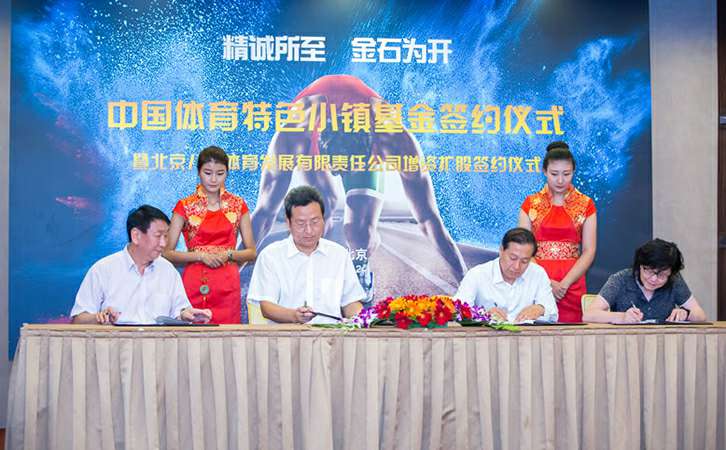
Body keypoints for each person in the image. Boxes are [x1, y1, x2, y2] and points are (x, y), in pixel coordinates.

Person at [250, 74, 467, 305]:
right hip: (315, 138)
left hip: (363, 144)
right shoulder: (295, 133)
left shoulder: (395, 140)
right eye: (337, 169)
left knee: (358, 229)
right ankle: (315, 275)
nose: (341, 176)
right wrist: (230, 272)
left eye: (348, 170)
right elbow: (264, 212)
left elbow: (428, 218)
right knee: (322, 208)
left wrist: (466, 281)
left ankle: (360, 268)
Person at [71, 205, 212, 324]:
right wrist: (99, 317)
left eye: (166, 236)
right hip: (116, 345)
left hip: (158, 345)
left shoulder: (168, 270)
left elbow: (180, 311)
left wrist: (185, 315)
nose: (164, 244)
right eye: (158, 236)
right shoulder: (103, 269)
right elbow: (78, 320)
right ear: (136, 235)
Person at [163, 146, 256, 324]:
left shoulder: (238, 205)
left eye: (220, 173)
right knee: (194, 335)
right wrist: (200, 256)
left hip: (227, 283)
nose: (213, 179)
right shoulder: (185, 206)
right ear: (198, 172)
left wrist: (228, 254)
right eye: (208, 173)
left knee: (228, 337)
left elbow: (251, 252)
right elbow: (167, 253)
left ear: (227, 173)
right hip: (195, 281)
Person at [248, 185, 365, 323]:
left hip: (330, 335)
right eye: (301, 223)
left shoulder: (339, 254)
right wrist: (294, 316)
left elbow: (350, 302)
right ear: (288, 223)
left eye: (315, 222)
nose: (309, 230)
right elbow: (267, 307)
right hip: (286, 334)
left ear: (323, 219)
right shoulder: (270, 256)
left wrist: (366, 319)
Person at [518, 141, 597, 322]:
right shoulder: (530, 204)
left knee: (573, 333)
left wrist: (564, 284)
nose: (560, 180)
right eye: (554, 174)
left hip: (572, 282)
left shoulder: (586, 204)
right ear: (544, 172)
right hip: (537, 278)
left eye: (566, 174)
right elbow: (522, 249)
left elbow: (589, 250)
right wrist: (547, 283)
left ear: (573, 172)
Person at [583, 238, 707, 323]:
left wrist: (686, 313)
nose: (654, 279)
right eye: (649, 271)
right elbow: (589, 315)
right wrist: (622, 317)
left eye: (662, 275)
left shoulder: (674, 280)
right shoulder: (621, 280)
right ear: (639, 265)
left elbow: (701, 315)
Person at [454, 227, 558, 322]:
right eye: (513, 258)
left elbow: (553, 314)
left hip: (527, 335)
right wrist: (483, 314)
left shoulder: (538, 273)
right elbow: (457, 309)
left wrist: (540, 309)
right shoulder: (477, 274)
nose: (517, 266)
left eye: (524, 261)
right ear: (501, 250)